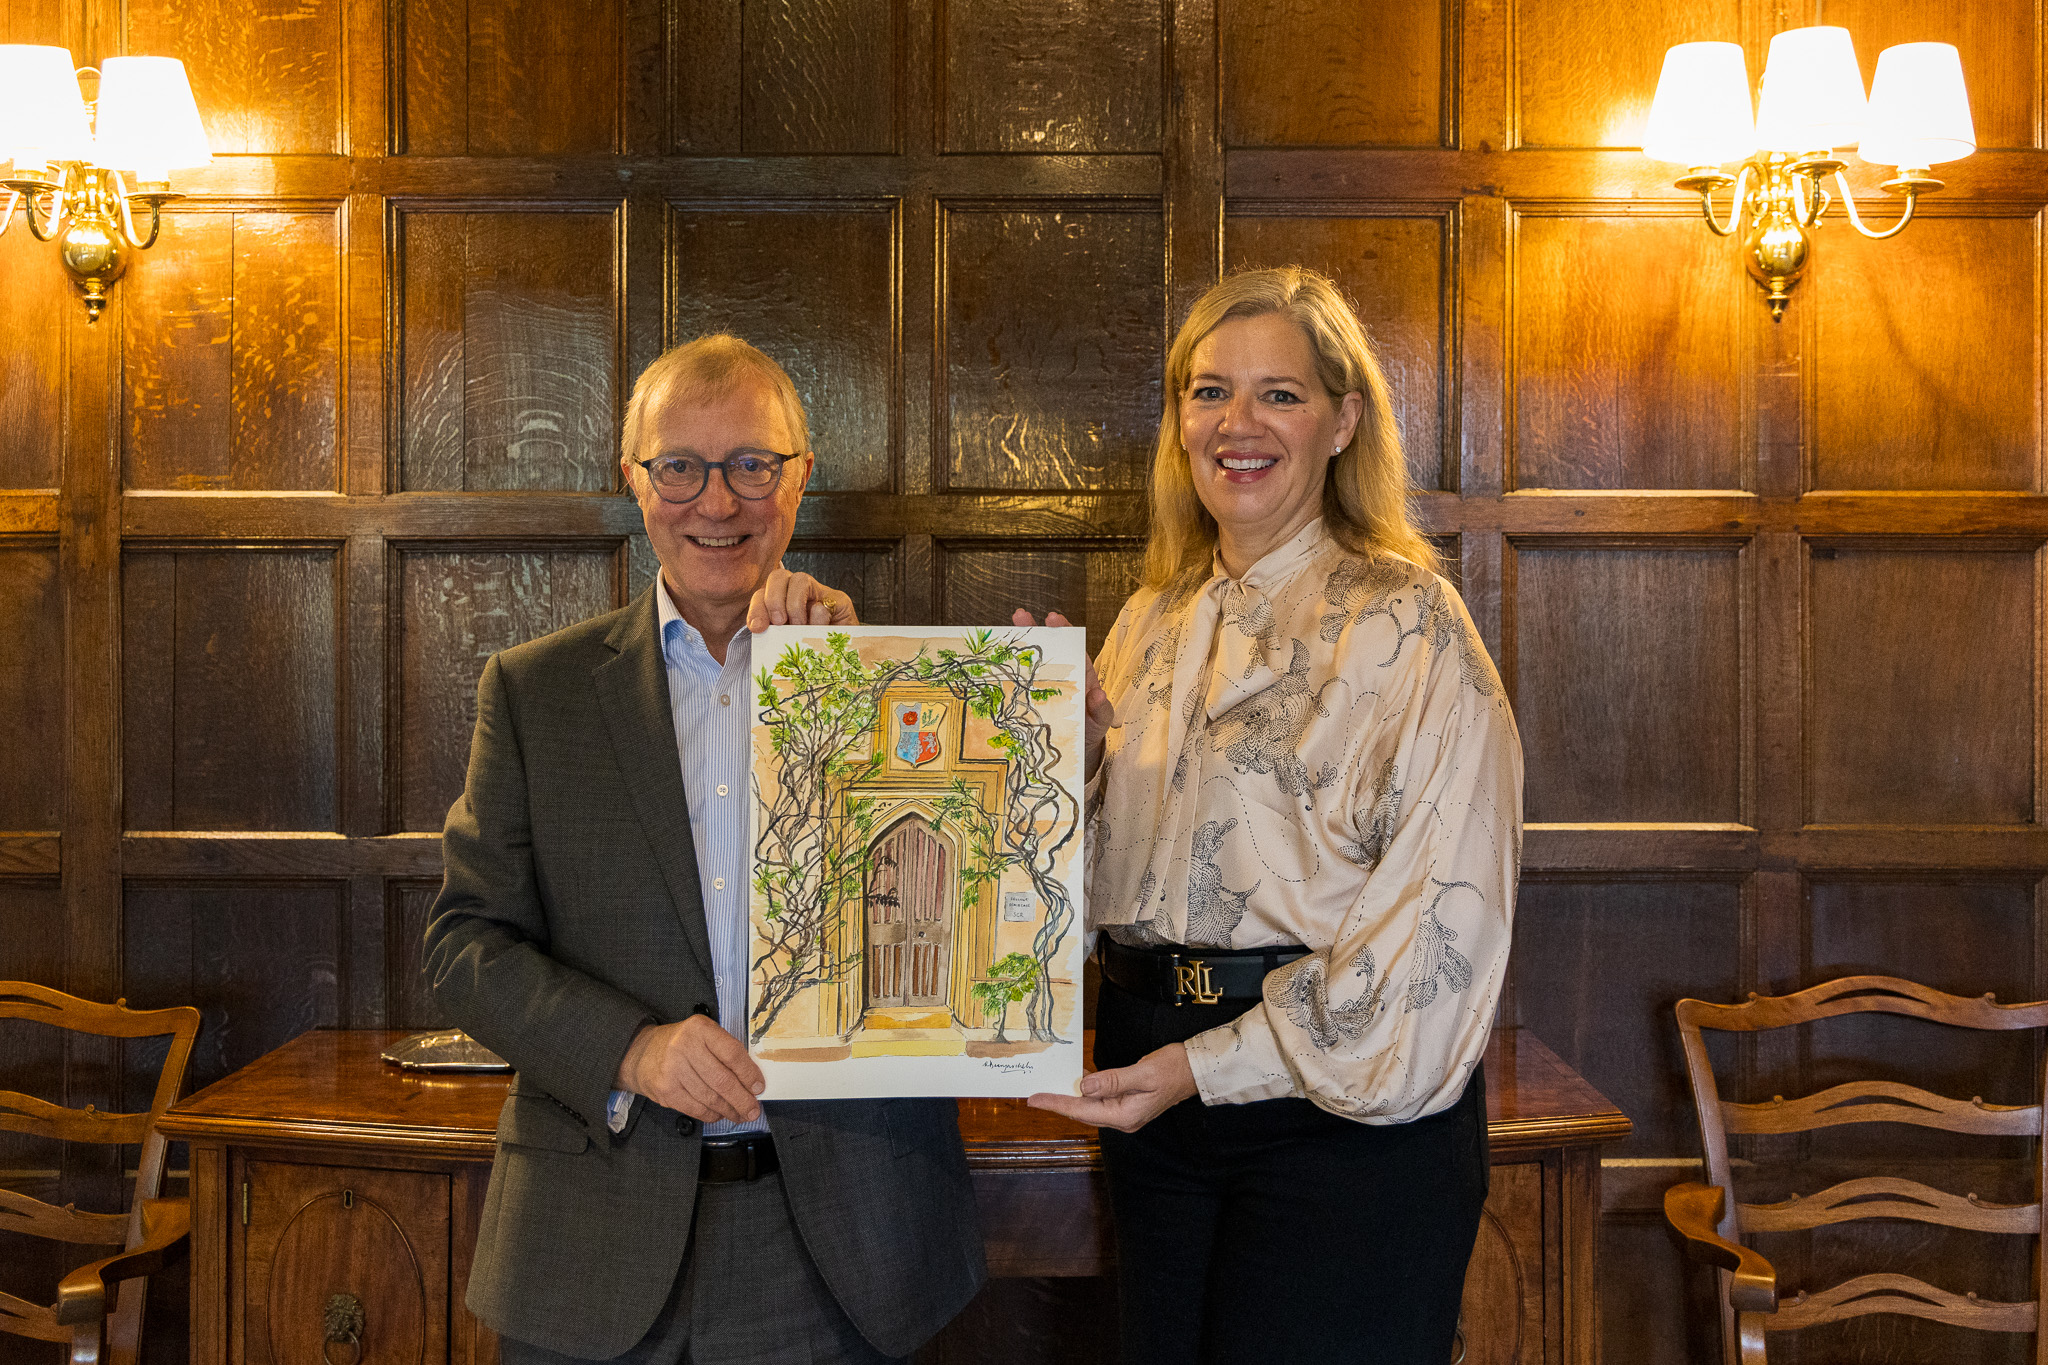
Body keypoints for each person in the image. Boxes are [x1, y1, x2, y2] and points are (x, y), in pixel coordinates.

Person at [424, 334, 985, 1365]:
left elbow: (968, 936)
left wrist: (855, 682)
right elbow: (463, 947)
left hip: (841, 1248)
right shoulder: (534, 692)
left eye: (750, 466)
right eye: (678, 466)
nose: (715, 503)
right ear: (632, 480)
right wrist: (631, 1050)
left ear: (800, 477)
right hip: (593, 1236)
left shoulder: (908, 687)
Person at [1024, 267, 1523, 1363]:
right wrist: (1059, 759)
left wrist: (1203, 1067)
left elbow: (1438, 928)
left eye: (1277, 395)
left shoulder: (1410, 626)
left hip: (1333, 1120)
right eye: (1207, 393)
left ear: (1343, 420)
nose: (1234, 424)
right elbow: (1122, 885)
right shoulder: (1151, 619)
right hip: (1149, 1081)